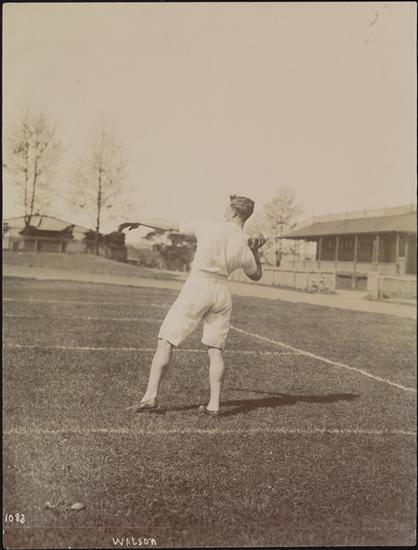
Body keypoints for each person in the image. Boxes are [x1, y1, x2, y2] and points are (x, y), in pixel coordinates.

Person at [118, 195, 266, 417]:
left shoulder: (209, 226)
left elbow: (171, 224)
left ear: (234, 212)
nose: (224, 212)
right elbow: (256, 275)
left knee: (165, 341)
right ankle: (214, 406)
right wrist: (254, 251)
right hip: (222, 293)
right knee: (215, 350)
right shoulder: (245, 243)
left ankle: (150, 397)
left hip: (198, 286)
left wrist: (140, 220)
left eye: (227, 209)